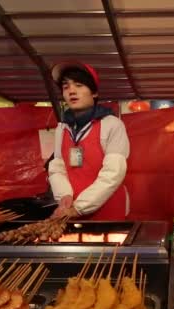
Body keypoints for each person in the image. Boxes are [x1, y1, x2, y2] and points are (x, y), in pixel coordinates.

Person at [48, 61, 130, 220]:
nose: (71, 91)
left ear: (94, 93)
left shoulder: (111, 125)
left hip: (107, 212)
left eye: (79, 85)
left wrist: (79, 208)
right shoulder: (62, 129)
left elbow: (112, 174)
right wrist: (64, 197)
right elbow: (57, 167)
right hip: (71, 212)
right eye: (66, 87)